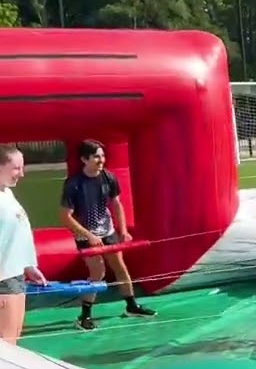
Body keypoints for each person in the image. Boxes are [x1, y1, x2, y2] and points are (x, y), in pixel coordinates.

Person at [59, 139, 155, 330]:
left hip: (107, 229)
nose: (101, 160)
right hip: (85, 233)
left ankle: (131, 306)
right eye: (96, 156)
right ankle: (84, 315)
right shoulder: (74, 184)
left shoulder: (109, 177)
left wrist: (124, 231)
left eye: (102, 155)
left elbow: (117, 204)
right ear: (84, 159)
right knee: (98, 272)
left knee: (120, 266)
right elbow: (65, 217)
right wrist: (88, 235)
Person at [0, 145, 44, 344]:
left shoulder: (7, 192)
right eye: (16, 168)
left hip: (14, 274)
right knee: (5, 348)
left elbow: (16, 234)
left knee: (12, 342)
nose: (22, 174)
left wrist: (28, 266)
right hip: (2, 279)